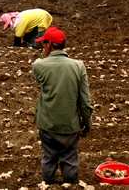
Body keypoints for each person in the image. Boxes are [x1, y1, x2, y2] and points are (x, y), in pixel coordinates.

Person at [32, 27, 93, 185]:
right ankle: (70, 184)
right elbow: (85, 102)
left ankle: (48, 184)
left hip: (47, 124)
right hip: (70, 126)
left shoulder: (38, 65)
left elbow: (42, 67)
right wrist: (87, 123)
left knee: (49, 157)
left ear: (49, 45)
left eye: (44, 43)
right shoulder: (79, 66)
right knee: (70, 158)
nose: (42, 46)